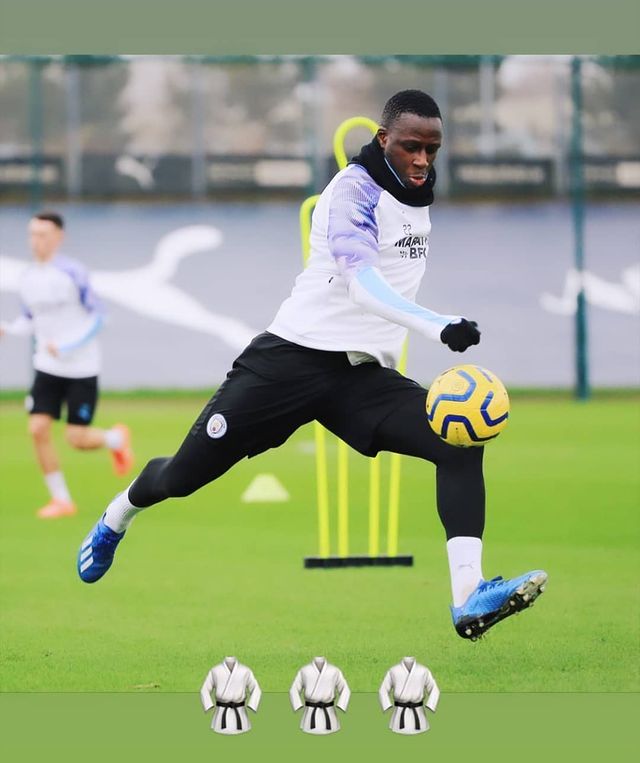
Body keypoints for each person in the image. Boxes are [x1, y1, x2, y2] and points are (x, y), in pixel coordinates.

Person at [77, 90, 547, 640]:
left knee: (459, 442)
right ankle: (116, 517)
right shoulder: (351, 192)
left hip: (359, 378)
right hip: (288, 362)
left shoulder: (416, 193)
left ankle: (467, 599)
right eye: (411, 147)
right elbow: (363, 285)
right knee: (181, 477)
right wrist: (436, 323)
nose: (422, 160)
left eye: (432, 149)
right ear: (382, 140)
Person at [0, 212, 134, 518]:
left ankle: (115, 438)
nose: (36, 241)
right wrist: (9, 329)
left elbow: (99, 316)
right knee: (37, 428)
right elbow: (31, 319)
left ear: (59, 237)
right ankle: (61, 500)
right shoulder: (28, 277)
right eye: (32, 234)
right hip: (47, 366)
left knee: (77, 438)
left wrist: (67, 346)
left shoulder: (73, 273)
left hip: (81, 367)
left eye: (43, 235)